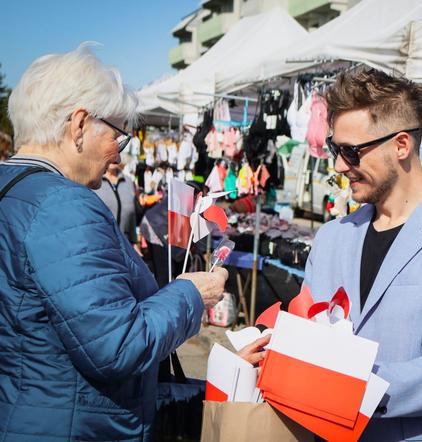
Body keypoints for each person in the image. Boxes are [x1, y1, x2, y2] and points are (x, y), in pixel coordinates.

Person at [0, 45, 268, 442]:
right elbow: (117, 346)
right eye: (118, 137)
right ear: (78, 126)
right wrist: (191, 293)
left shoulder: (12, 189)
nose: (116, 155)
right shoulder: (63, 204)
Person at [304, 68, 422, 441]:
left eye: (350, 151)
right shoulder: (331, 237)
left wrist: (347, 387)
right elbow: (309, 331)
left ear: (401, 145)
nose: (339, 166)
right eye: (335, 148)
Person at [93, 156, 142, 252]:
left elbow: (132, 215)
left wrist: (134, 241)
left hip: (126, 244)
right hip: (102, 245)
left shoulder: (128, 181)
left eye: (118, 153)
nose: (114, 158)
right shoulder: (95, 181)